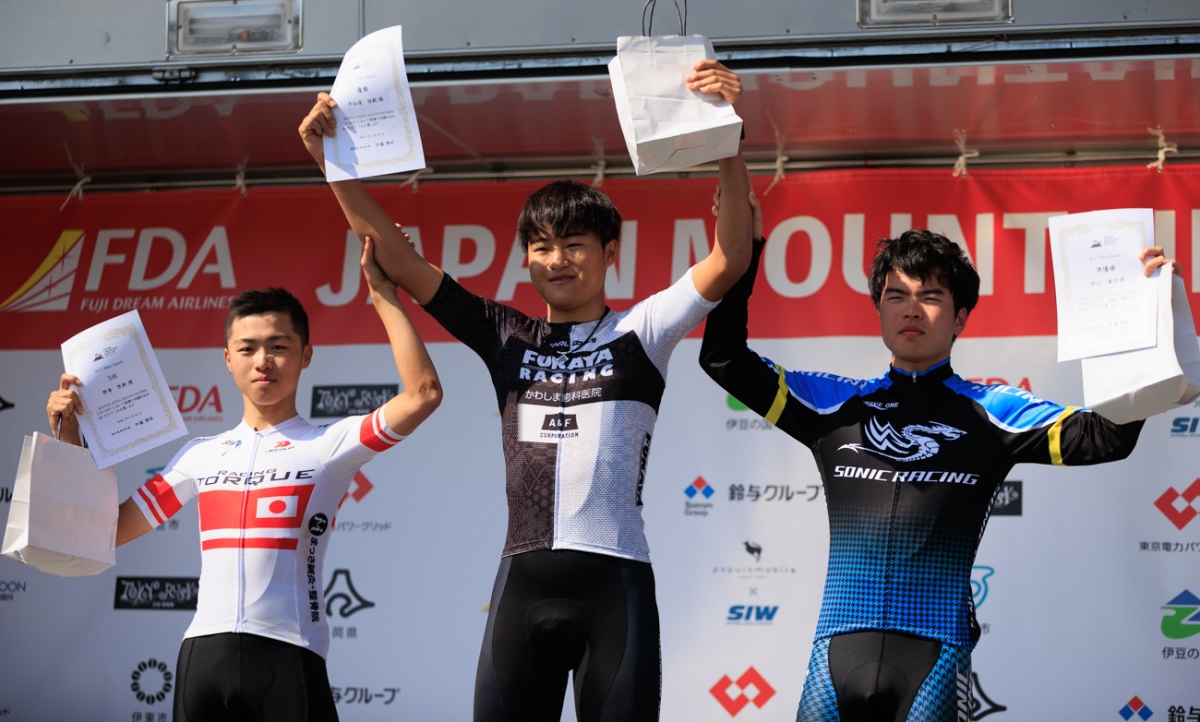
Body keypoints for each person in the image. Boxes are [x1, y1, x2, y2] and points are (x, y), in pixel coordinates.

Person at [297, 60, 753, 721]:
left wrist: (728, 140)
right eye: (541, 246)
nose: (556, 260)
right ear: (526, 258)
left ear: (610, 252)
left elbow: (730, 256)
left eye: (574, 245)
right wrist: (331, 161)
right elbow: (397, 259)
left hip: (615, 585)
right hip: (522, 585)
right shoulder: (504, 334)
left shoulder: (643, 330)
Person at [698, 192, 1179, 722]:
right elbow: (723, 359)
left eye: (930, 296)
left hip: (934, 657)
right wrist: (743, 252)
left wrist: (1141, 319)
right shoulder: (832, 404)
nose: (911, 309)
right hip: (836, 652)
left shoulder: (993, 411)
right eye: (896, 295)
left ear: (960, 317)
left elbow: (1107, 436)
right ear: (879, 309)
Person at [46, 238, 442, 722]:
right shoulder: (199, 455)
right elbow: (104, 531)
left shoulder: (330, 444)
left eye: (279, 346)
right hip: (202, 660)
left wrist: (382, 291)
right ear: (227, 358)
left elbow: (423, 394)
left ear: (306, 355)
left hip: (288, 655)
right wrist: (72, 439)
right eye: (248, 348)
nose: (263, 360)